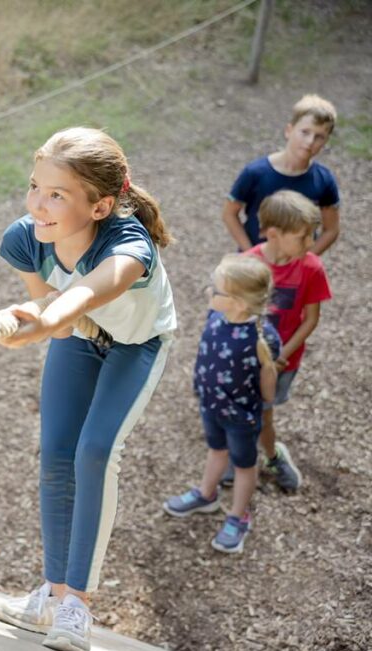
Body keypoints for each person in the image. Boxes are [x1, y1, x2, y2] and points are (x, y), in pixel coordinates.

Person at [0, 128, 176, 651]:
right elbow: (56, 311)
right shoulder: (23, 239)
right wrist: (42, 319)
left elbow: (95, 289)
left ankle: (77, 604)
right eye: (34, 187)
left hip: (136, 348)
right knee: (55, 455)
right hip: (80, 336)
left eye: (57, 195)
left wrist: (46, 319)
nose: (37, 205)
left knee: (95, 452)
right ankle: (50, 594)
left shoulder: (128, 245)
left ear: (101, 205)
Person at [163, 255, 280, 554]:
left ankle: (239, 515)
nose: (208, 293)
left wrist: (265, 402)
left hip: (241, 415)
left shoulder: (262, 337)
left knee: (243, 464)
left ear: (239, 303)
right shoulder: (216, 318)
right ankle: (206, 493)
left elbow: (268, 385)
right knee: (216, 450)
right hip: (211, 406)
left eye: (216, 290)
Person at [227, 190, 331, 493]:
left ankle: (271, 455)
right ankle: (239, 460)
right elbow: (230, 316)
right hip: (245, 362)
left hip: (282, 363)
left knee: (262, 414)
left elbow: (311, 319)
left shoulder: (311, 267)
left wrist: (279, 355)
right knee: (239, 413)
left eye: (313, 235)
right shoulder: (246, 266)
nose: (311, 244)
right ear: (273, 234)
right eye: (304, 237)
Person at [222, 94, 340, 255]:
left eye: (319, 136)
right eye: (305, 132)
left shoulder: (324, 180)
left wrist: (306, 260)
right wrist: (251, 253)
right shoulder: (255, 173)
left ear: (325, 141)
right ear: (289, 130)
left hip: (296, 269)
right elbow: (229, 213)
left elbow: (331, 229)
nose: (310, 141)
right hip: (253, 265)